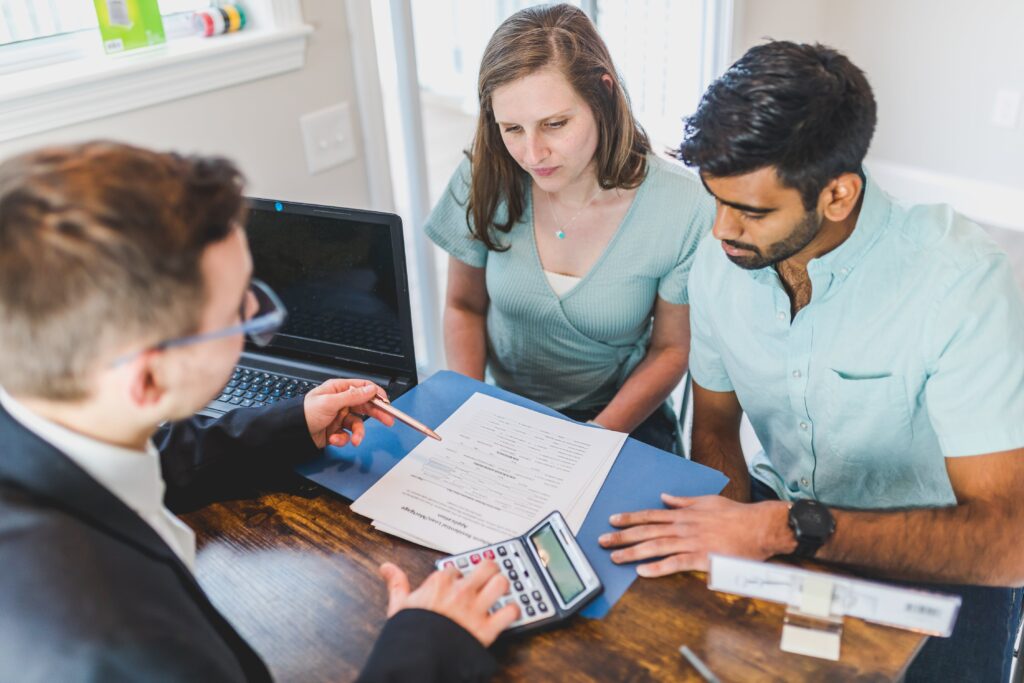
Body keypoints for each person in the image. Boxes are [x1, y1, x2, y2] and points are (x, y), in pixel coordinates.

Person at [0, 142, 518, 681]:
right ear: (148, 380)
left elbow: (165, 454)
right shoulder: (126, 647)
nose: (258, 316)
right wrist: (425, 645)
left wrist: (296, 421)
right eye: (240, 315)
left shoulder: (49, 419)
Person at [598, 41, 1024, 681]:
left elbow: (1008, 543)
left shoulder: (960, 282)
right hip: (780, 518)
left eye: (751, 211)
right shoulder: (723, 261)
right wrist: (729, 565)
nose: (720, 231)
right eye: (716, 200)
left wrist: (779, 531)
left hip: (943, 552)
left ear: (838, 195)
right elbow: (714, 425)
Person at [425, 4, 714, 452]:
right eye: (512, 128)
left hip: (620, 417)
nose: (533, 152)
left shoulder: (682, 203)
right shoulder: (484, 175)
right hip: (500, 409)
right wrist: (470, 407)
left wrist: (591, 440)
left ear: (603, 94)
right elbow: (463, 305)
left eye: (555, 124)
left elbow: (671, 349)